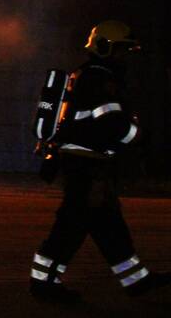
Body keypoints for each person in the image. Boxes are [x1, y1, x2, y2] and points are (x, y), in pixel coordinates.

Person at [31, 20, 170, 303]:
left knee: (108, 225)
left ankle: (137, 280)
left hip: (86, 164)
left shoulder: (87, 75)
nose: (125, 55)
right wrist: (142, 138)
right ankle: (44, 284)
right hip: (86, 167)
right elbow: (113, 124)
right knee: (71, 227)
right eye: (122, 49)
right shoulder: (99, 80)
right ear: (105, 47)